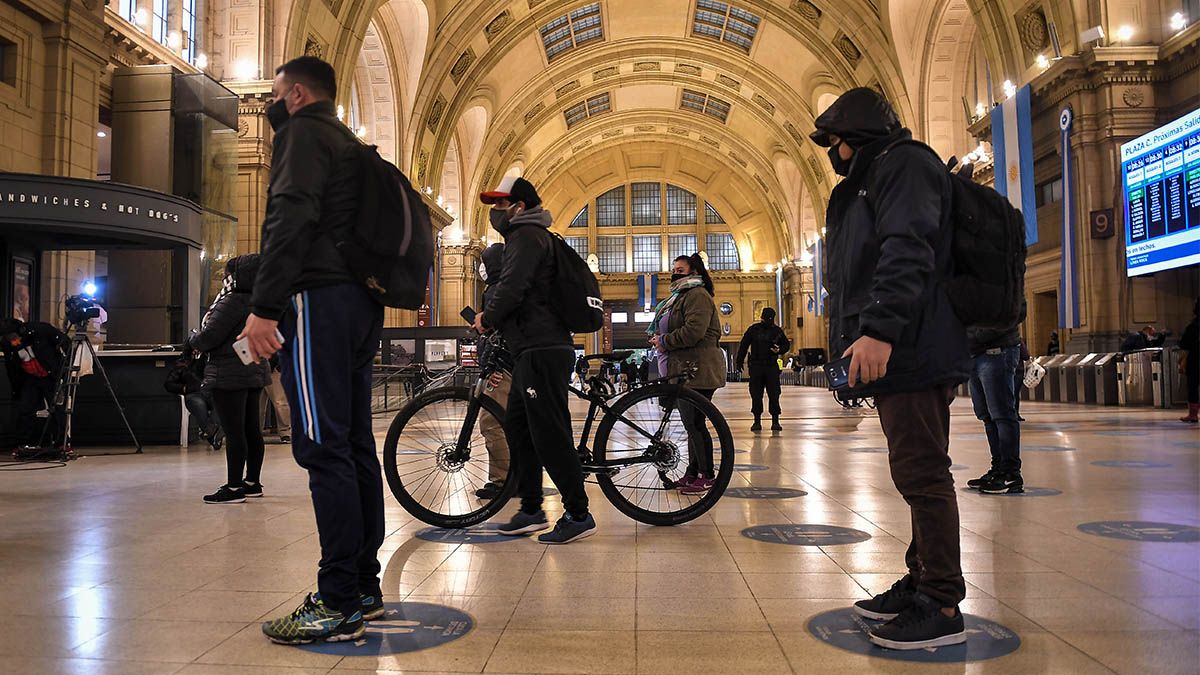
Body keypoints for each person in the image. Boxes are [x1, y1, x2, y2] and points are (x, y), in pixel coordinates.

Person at [811, 87, 971, 650]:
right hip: (904, 344)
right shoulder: (874, 175)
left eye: (836, 142)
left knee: (923, 473)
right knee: (914, 469)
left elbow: (908, 248)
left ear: (858, 135)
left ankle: (943, 602)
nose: (834, 152)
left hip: (913, 343)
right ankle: (921, 579)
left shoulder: (903, 164)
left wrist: (879, 330)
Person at [240, 56, 383, 645]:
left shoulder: (303, 135)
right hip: (358, 304)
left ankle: (337, 599)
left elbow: (288, 220)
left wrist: (264, 306)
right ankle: (363, 585)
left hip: (318, 302)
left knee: (322, 446)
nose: (272, 104)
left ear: (295, 95)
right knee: (352, 444)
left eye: (275, 94)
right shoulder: (348, 143)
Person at [471, 175, 595, 544]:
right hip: (532, 348)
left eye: (499, 204)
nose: (494, 211)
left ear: (519, 207)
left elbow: (513, 286)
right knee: (519, 428)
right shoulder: (529, 236)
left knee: (549, 434)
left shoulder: (525, 236)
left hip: (542, 348)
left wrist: (487, 317)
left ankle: (577, 512)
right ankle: (530, 509)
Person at [188, 255, 270, 504]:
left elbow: (210, 336)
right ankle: (252, 482)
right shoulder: (261, 301)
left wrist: (192, 339)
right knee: (252, 429)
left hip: (229, 372)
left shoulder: (232, 301)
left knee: (235, 432)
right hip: (253, 369)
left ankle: (234, 488)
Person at [647, 254, 727, 493]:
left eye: (680, 270)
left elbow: (694, 331)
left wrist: (665, 341)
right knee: (691, 424)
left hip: (698, 369)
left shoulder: (697, 296)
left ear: (694, 273)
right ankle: (692, 473)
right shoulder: (680, 296)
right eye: (674, 270)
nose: (675, 274)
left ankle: (706, 475)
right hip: (685, 369)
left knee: (695, 423)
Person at [964, 306, 1025, 494]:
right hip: (975, 354)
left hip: (997, 352)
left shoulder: (1001, 278)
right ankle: (998, 467)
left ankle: (1010, 473)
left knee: (1002, 414)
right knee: (987, 415)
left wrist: (974, 335)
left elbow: (1017, 310)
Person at [475, 243, 512, 500]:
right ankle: (516, 476)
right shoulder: (507, 287)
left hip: (504, 367)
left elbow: (499, 335)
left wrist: (494, 366)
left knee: (490, 422)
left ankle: (501, 480)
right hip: (515, 364)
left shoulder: (496, 292)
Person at [0, 318, 67, 448]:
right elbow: (11, 367)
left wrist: (63, 368)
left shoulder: (40, 330)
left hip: (51, 375)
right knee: (25, 409)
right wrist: (16, 387)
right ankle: (24, 443)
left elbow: (65, 342)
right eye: (9, 339)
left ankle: (60, 442)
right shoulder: (8, 344)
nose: (13, 342)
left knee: (57, 409)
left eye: (14, 338)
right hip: (30, 378)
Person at [735, 307, 791, 431]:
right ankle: (756, 421)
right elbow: (743, 345)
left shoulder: (777, 331)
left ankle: (775, 421)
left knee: (774, 394)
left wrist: (779, 350)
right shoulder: (753, 330)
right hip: (756, 367)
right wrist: (739, 361)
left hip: (771, 367)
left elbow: (786, 345)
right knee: (756, 395)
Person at [163, 345, 223, 450]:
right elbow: (169, 384)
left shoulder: (210, 358)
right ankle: (213, 432)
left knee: (220, 402)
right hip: (193, 393)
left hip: (211, 391)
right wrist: (185, 388)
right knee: (198, 405)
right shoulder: (182, 364)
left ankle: (211, 432)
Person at [264, 355, 291, 443]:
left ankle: (285, 432)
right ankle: (255, 431)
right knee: (257, 406)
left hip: (274, 366)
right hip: (256, 367)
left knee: (280, 402)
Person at [1179, 299, 1199, 423]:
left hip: (1195, 359)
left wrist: (1182, 360)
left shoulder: (1194, 325)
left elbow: (1184, 344)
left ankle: (1193, 414)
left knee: (1193, 386)